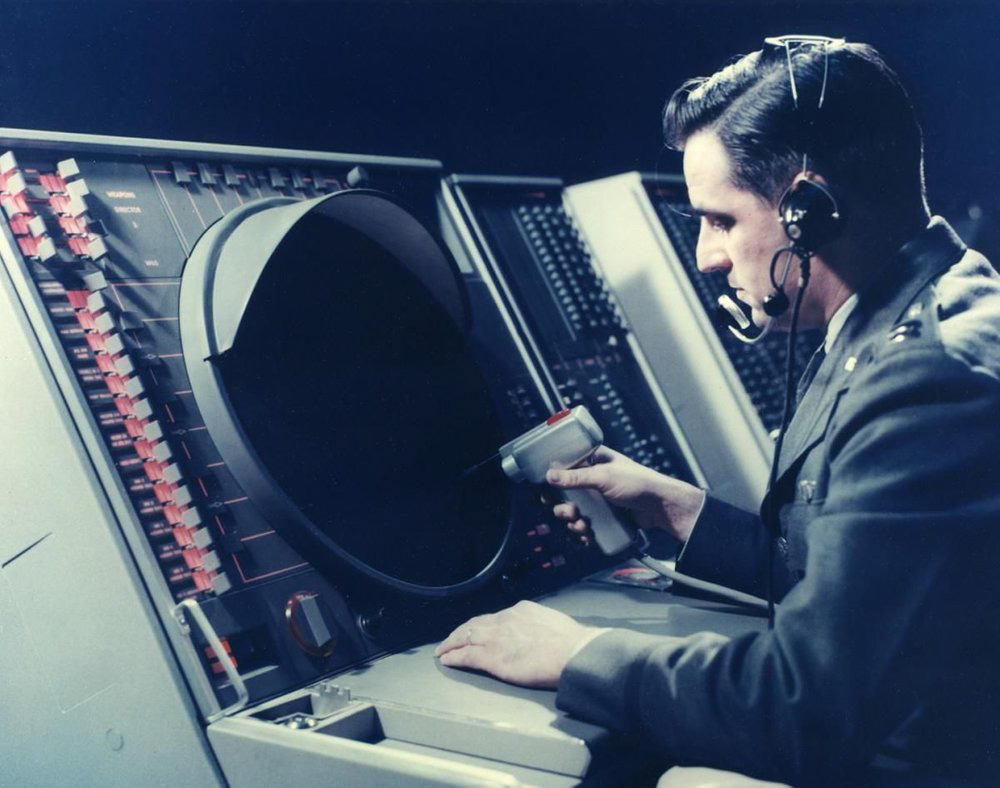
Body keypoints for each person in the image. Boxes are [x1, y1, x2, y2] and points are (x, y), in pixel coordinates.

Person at [436, 36, 1000, 785]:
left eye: (720, 219)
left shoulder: (930, 377)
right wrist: (680, 513)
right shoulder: (917, 302)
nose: (705, 255)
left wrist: (577, 655)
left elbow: (805, 708)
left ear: (809, 209)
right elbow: (855, 584)